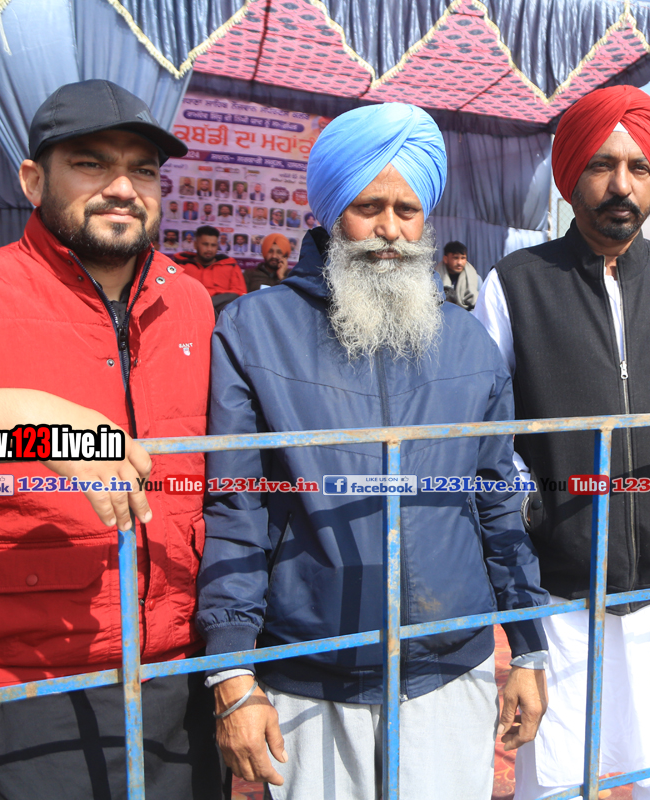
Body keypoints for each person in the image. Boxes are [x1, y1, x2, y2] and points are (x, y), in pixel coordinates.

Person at [197, 102, 549, 800]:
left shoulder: (468, 342)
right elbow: (236, 509)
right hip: (312, 674)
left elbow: (498, 503)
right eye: (368, 207)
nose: (390, 229)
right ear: (331, 211)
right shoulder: (254, 330)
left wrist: (530, 645)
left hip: (452, 667)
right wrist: (232, 670)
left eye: (407, 210)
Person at [0, 79, 221, 798]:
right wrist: (43, 428)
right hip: (26, 683)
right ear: (33, 180)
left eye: (142, 169)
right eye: (90, 163)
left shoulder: (193, 302)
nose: (122, 187)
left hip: (179, 669)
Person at [474, 85, 650, 800]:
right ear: (571, 176)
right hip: (561, 589)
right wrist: (530, 508)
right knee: (556, 777)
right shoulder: (515, 285)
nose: (621, 185)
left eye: (638, 167)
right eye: (602, 165)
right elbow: (487, 426)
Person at [173, 224, 247, 317]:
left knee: (234, 298)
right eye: (205, 244)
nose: (209, 249)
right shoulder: (181, 266)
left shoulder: (231, 266)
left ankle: (201, 309)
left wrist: (207, 299)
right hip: (186, 310)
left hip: (219, 314)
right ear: (195, 245)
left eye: (213, 245)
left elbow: (239, 294)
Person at [436, 240, 479, 311]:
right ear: (445, 259)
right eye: (455, 258)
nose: (459, 262)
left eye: (463, 258)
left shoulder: (475, 278)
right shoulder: (435, 278)